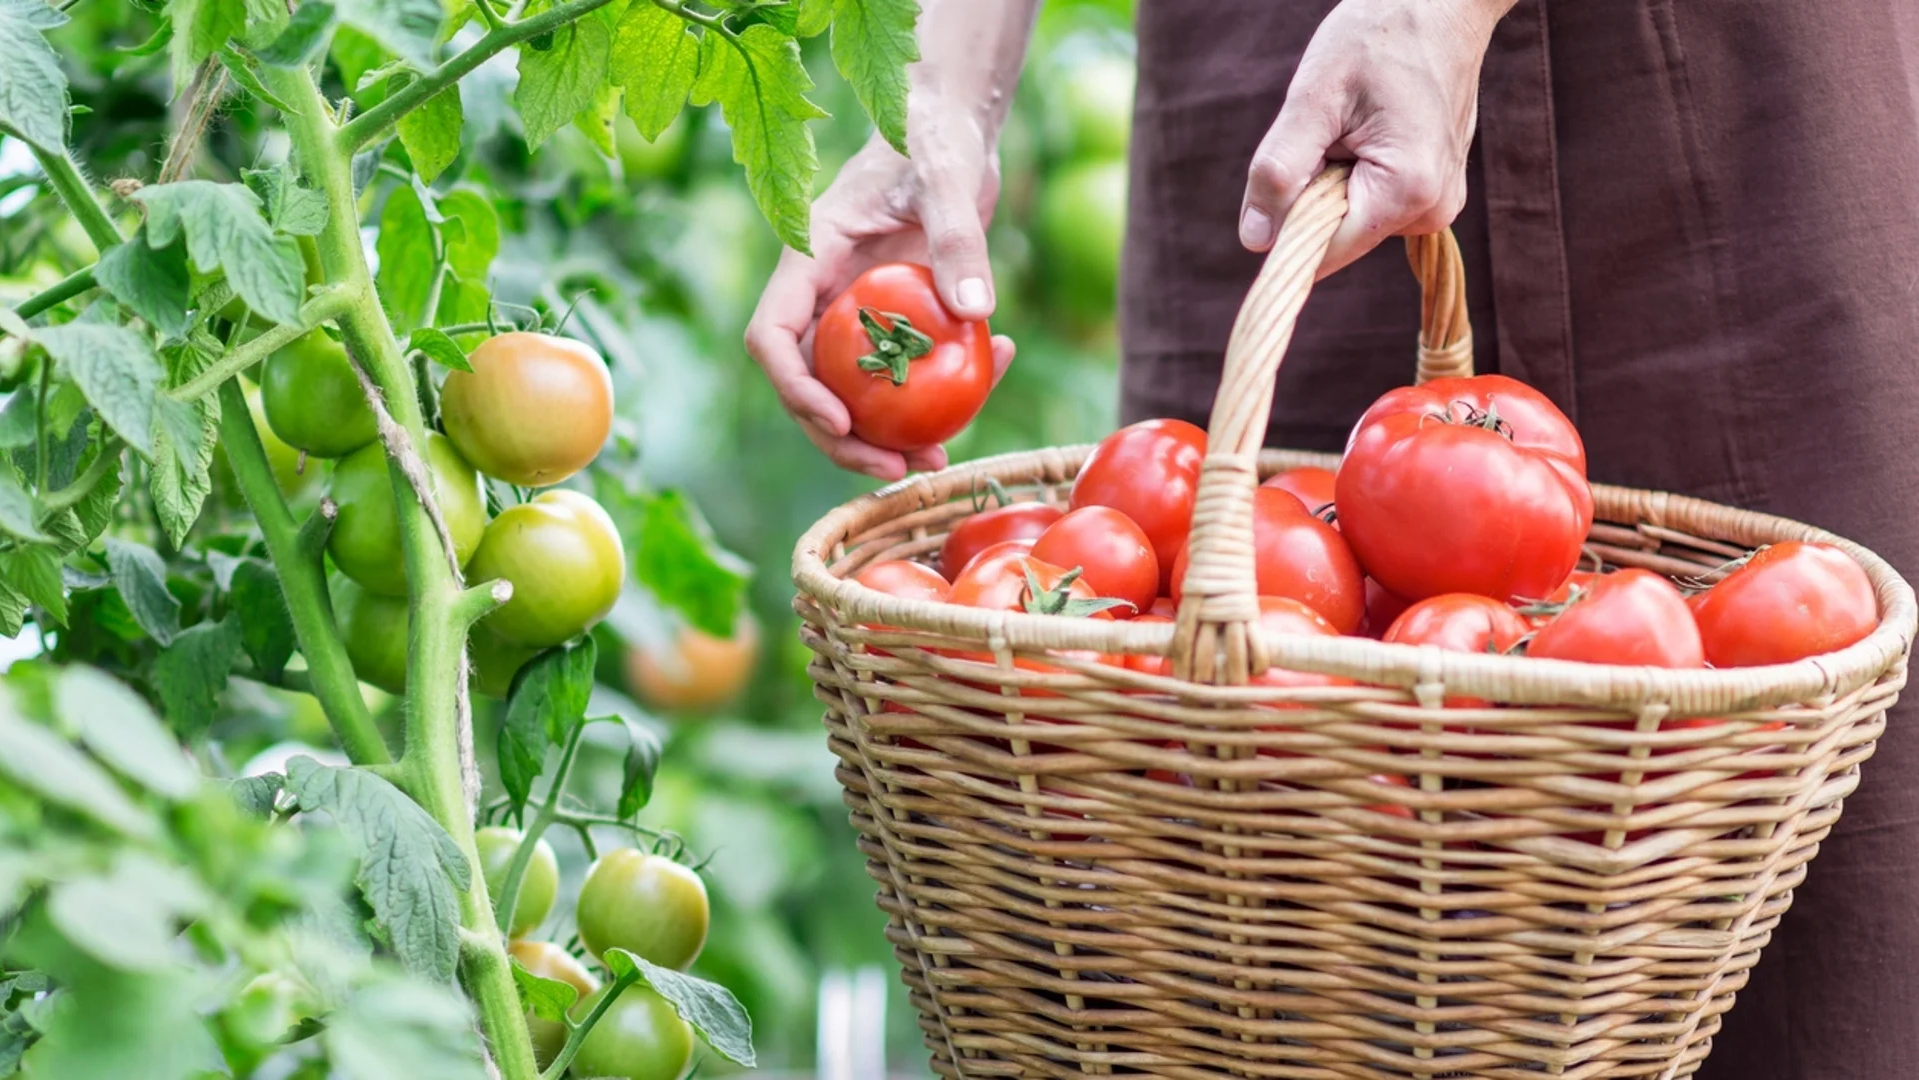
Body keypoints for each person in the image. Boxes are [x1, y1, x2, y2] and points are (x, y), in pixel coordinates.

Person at [746, 1, 1919, 1075]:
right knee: (1227, 886)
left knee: (1799, 926)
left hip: (1720, 118)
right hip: (1278, 103)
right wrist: (945, 96)